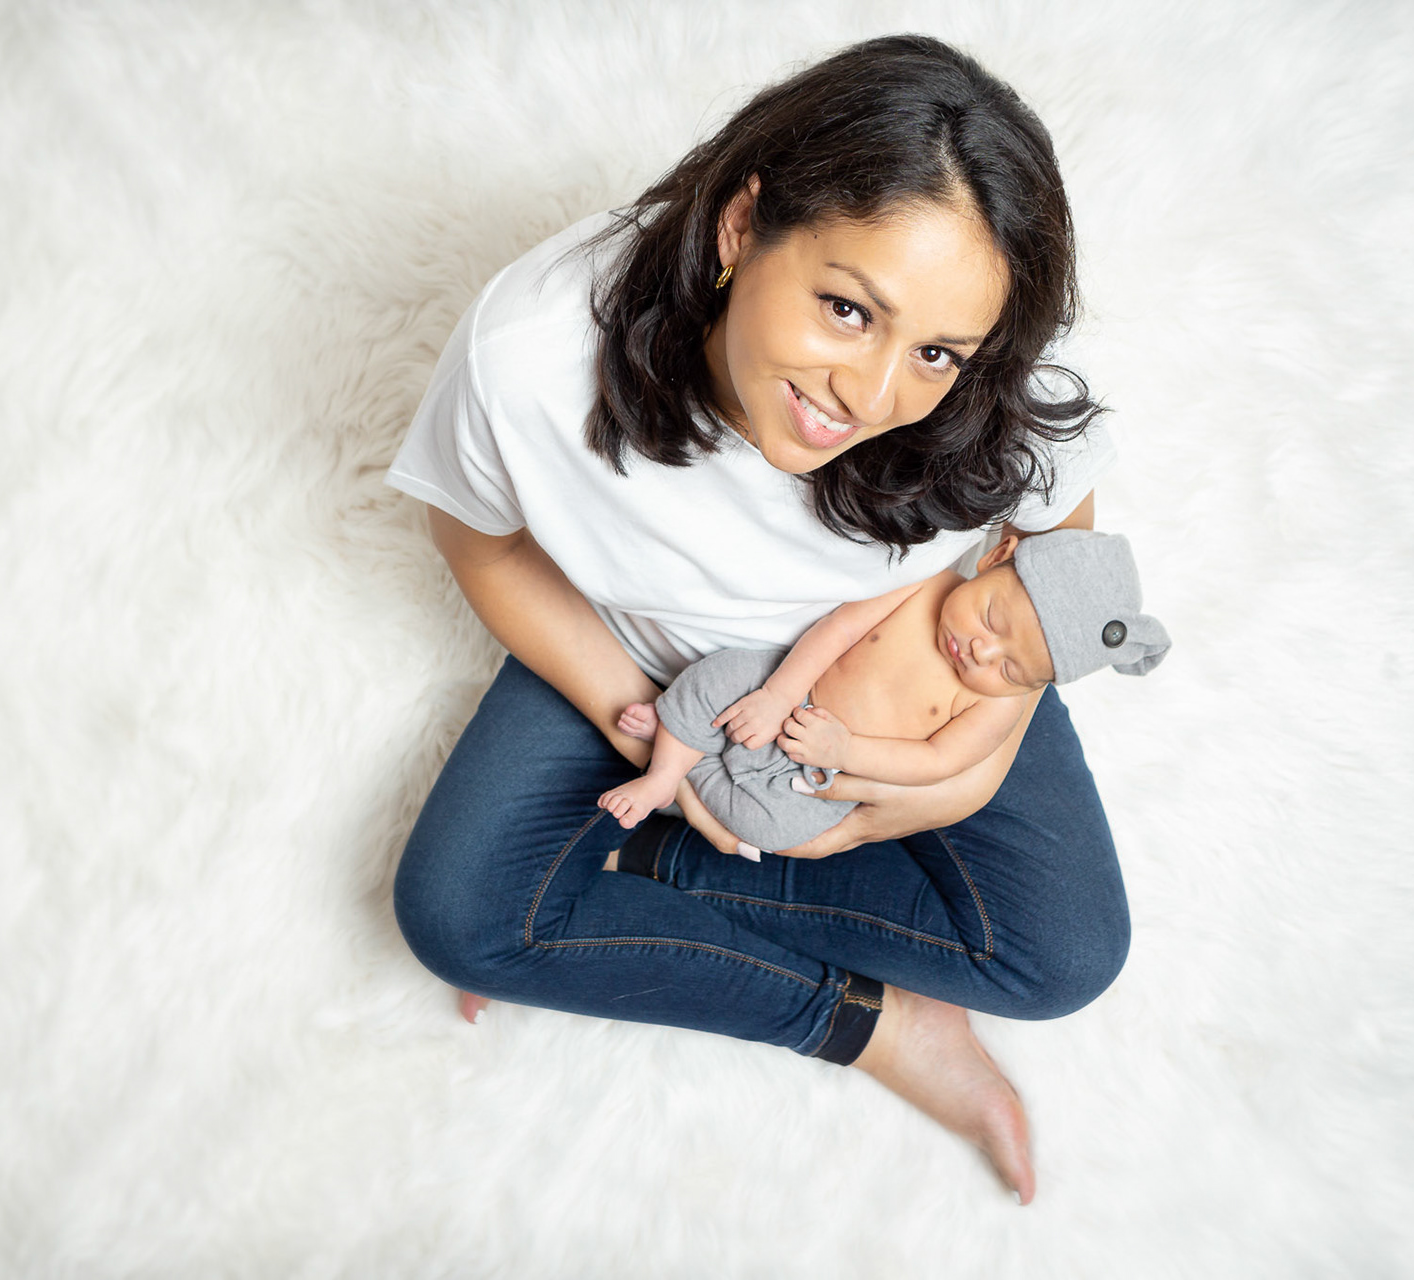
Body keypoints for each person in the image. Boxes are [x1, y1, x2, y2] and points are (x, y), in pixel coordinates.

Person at [385, 34, 1127, 1205]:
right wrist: (647, 729)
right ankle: (868, 1022)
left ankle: (643, 865)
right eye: (847, 308)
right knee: (458, 916)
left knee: (1064, 954)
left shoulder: (986, 376)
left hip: (913, 650)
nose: (870, 396)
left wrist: (973, 760)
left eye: (936, 351)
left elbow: (1061, 549)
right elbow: (480, 541)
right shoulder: (529, 355)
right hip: (650, 653)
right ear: (741, 227)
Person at [598, 529, 1171, 859]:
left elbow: (936, 761)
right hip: (791, 693)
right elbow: (839, 629)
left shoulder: (997, 706)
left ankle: (687, 756)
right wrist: (778, 694)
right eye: (992, 618)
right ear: (997, 556)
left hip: (826, 769)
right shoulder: (924, 584)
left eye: (1013, 668)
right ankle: (665, 771)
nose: (981, 651)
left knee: (777, 831)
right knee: (721, 676)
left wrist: (845, 751)